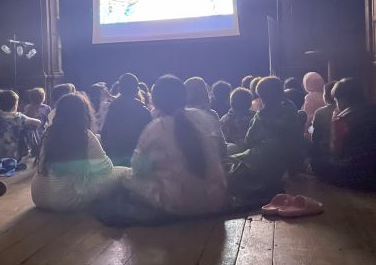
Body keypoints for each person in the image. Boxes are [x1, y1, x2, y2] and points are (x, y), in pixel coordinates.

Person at [120, 74, 228, 217]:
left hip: (180, 205)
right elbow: (222, 151)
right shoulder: (205, 118)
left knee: (126, 176)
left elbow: (138, 169)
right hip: (216, 199)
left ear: (155, 100)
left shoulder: (155, 128)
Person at [31, 93, 129, 212]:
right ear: (83, 113)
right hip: (66, 200)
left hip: (38, 197)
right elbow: (106, 168)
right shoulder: (85, 136)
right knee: (124, 171)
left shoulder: (48, 134)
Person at [228, 77, 306, 205]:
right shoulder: (291, 110)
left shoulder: (261, 116)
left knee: (229, 161)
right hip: (288, 160)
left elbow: (249, 140)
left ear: (262, 97)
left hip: (262, 158)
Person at [313, 78, 376, 190]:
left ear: (342, 99)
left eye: (336, 101)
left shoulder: (343, 119)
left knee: (316, 164)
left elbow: (336, 152)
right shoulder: (372, 109)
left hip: (360, 176)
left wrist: (334, 122)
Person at [101, 73, 152, 166]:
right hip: (137, 157)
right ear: (136, 90)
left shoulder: (113, 108)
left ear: (120, 89)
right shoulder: (143, 111)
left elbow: (105, 133)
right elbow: (150, 137)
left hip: (115, 156)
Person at [0, 90, 41, 160]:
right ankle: (34, 152)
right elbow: (38, 122)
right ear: (15, 106)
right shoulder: (19, 117)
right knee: (30, 127)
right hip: (14, 156)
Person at [311, 81, 336, 162]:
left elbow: (315, 136)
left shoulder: (320, 112)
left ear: (325, 96)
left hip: (324, 150)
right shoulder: (344, 109)